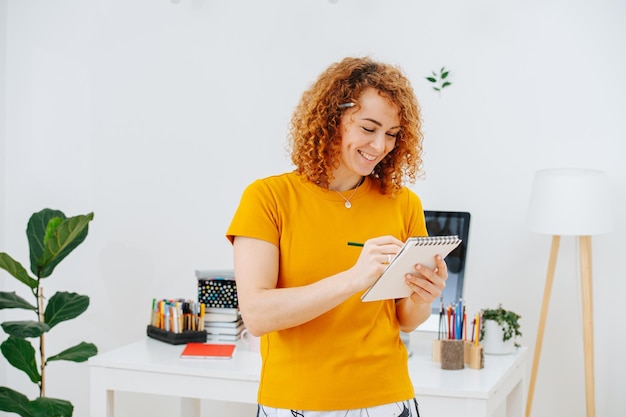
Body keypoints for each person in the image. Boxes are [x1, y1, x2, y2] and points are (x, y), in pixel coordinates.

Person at [226, 56, 448, 417]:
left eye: (391, 134)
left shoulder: (403, 203)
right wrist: (353, 279)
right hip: (296, 401)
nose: (380, 146)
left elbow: (405, 319)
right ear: (333, 120)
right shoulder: (268, 198)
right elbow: (257, 315)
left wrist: (425, 295)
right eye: (368, 128)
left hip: (386, 398)